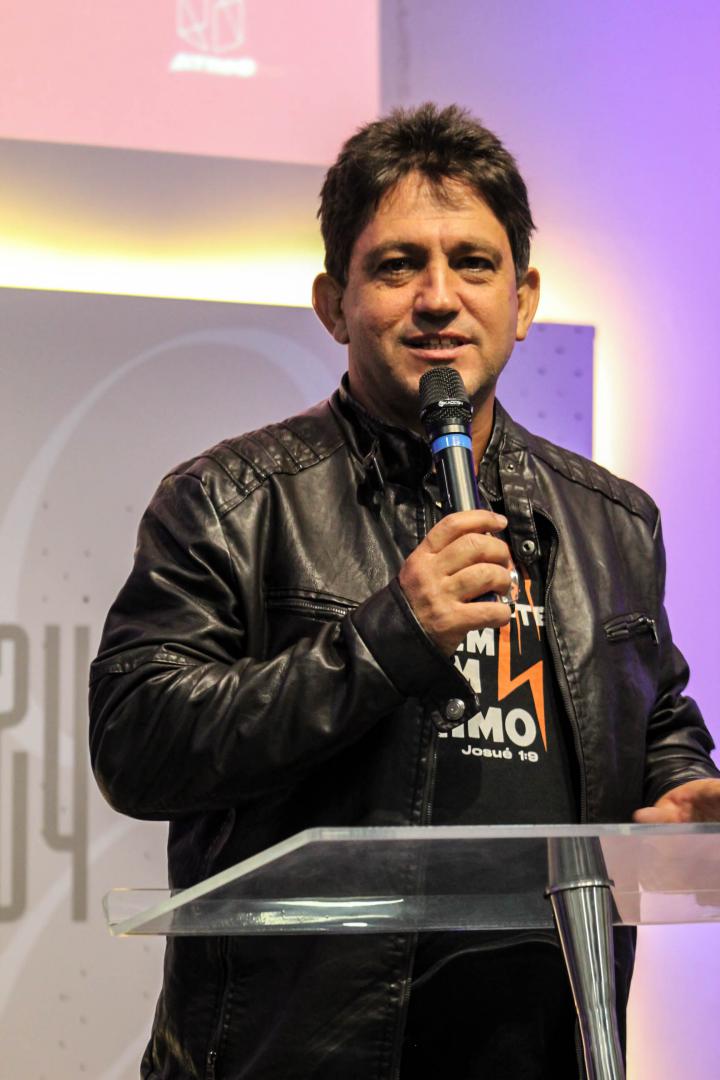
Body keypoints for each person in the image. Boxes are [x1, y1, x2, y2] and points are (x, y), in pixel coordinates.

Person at [90, 103, 720, 1079]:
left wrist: (683, 792)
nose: (439, 298)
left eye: (474, 263)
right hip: (300, 1056)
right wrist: (388, 639)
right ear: (333, 304)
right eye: (396, 266)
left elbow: (654, 714)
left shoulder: (612, 520)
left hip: (547, 1048)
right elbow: (139, 742)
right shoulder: (231, 500)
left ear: (523, 299)